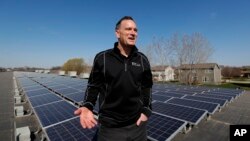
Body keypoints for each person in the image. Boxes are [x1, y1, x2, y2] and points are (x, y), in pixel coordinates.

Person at [74, 16, 153, 141]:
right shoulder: (102, 58)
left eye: (135, 30)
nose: (133, 33)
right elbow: (93, 86)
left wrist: (146, 111)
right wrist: (88, 106)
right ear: (117, 33)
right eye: (128, 29)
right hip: (110, 129)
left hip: (137, 126)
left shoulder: (143, 60)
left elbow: (147, 87)